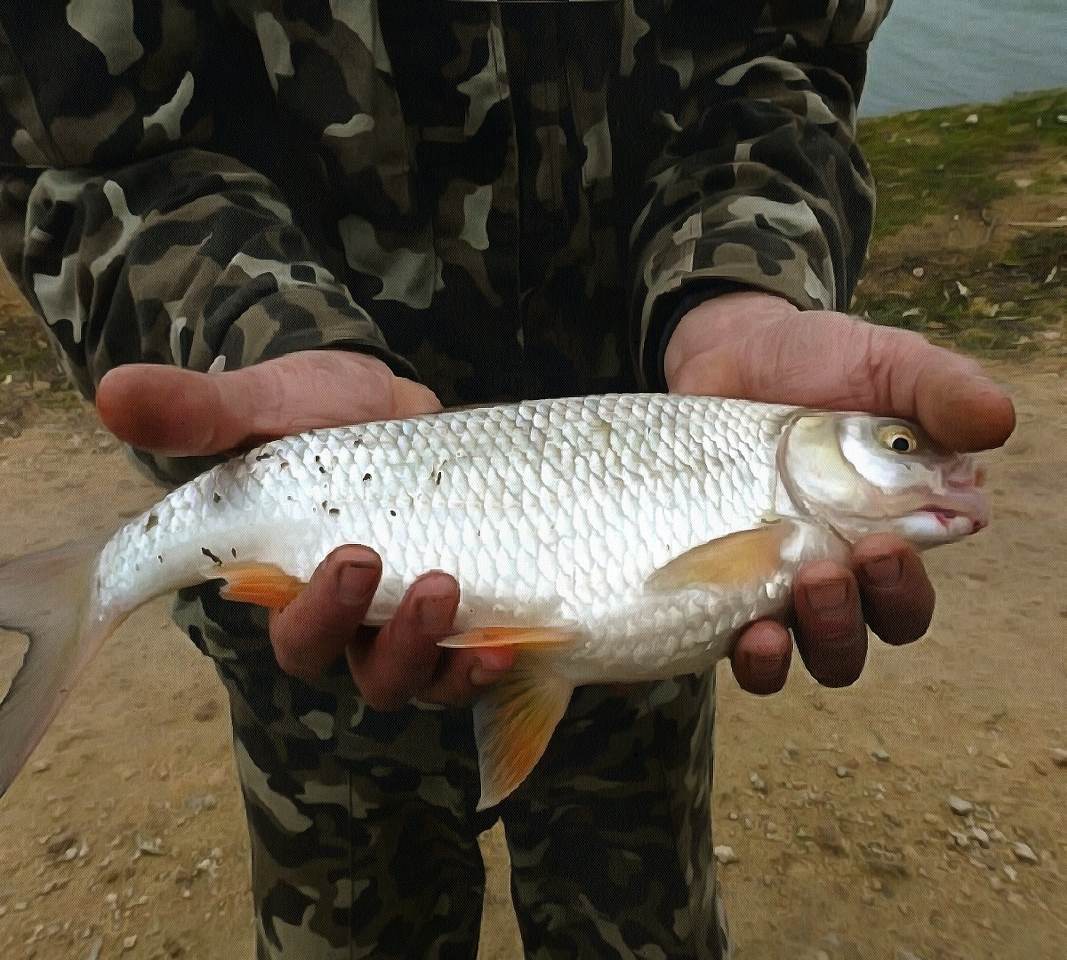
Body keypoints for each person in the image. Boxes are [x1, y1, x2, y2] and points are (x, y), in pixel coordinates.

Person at [0, 3, 1013, 958]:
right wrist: (251, 332)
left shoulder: (752, 462)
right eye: (898, 447)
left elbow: (782, 52)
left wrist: (739, 282)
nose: (920, 464)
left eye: (897, 450)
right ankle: (95, 586)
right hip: (311, 581)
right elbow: (85, 149)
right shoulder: (767, 494)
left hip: (623, 637)